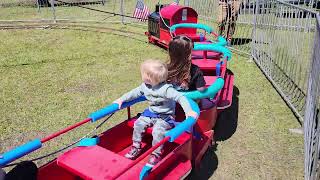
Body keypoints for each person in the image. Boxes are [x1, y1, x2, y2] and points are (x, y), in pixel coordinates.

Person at [114, 59, 197, 167]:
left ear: (150, 77)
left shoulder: (166, 89)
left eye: (143, 74)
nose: (141, 76)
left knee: (157, 131)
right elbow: (134, 93)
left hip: (165, 117)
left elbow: (181, 98)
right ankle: (136, 146)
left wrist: (189, 111)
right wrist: (121, 99)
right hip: (151, 113)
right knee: (138, 124)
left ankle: (156, 154)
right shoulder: (145, 86)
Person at [167, 35, 214, 109]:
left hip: (171, 104)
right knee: (211, 103)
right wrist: (209, 91)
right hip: (190, 105)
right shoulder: (195, 70)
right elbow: (201, 89)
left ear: (170, 51)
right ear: (189, 53)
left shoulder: (165, 69)